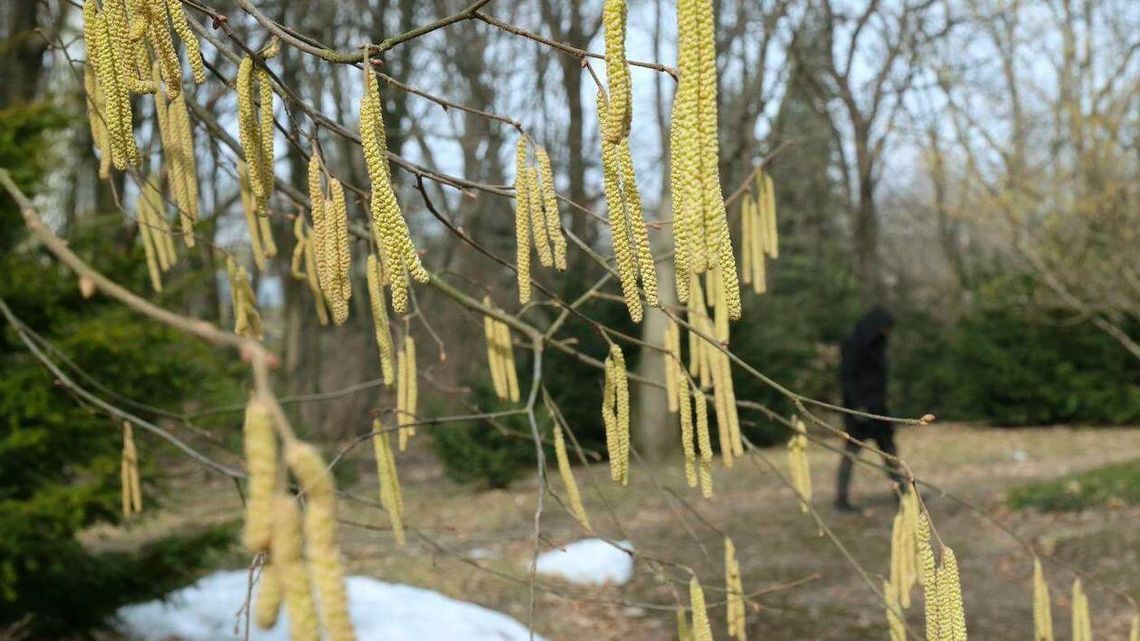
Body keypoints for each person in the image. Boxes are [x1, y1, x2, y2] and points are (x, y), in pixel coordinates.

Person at [835, 307, 904, 513]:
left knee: (890, 452)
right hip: (859, 411)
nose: (887, 333)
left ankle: (902, 492)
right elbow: (847, 379)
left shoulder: (879, 345)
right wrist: (857, 408)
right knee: (851, 453)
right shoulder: (853, 345)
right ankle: (841, 500)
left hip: (878, 410)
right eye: (885, 328)